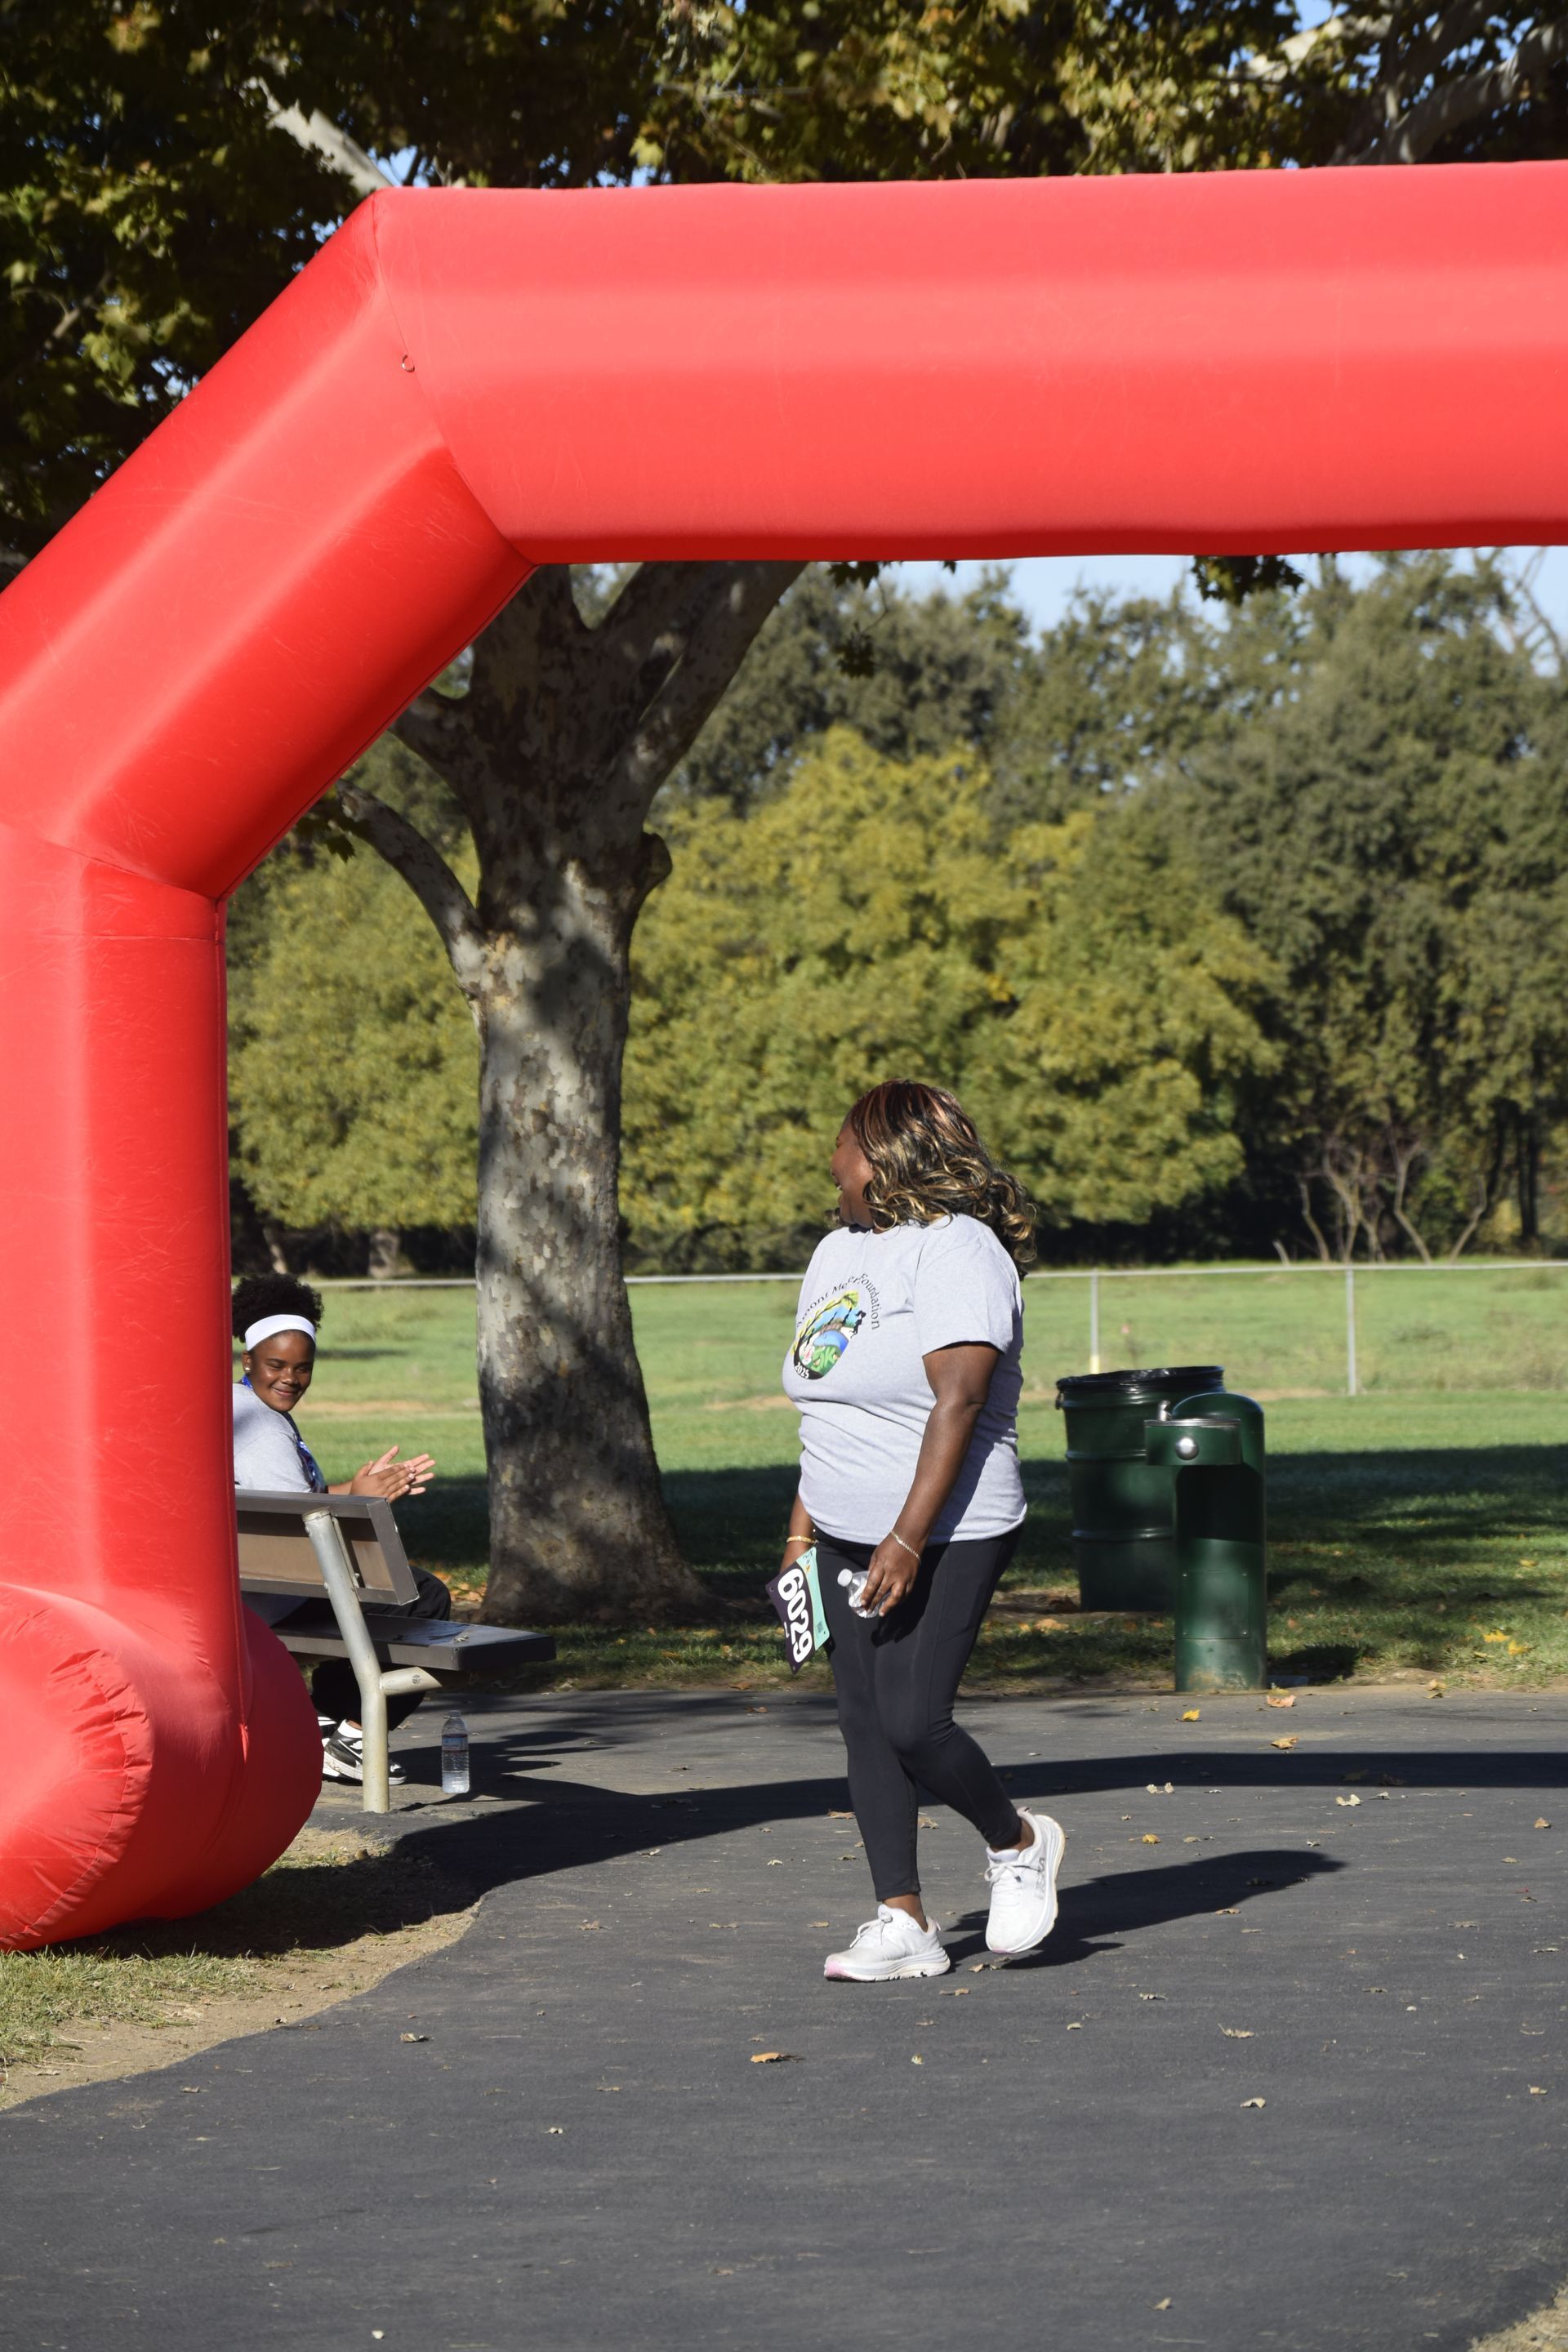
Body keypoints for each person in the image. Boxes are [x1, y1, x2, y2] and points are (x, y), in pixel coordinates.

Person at [780, 1080, 1066, 1981]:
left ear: (888, 1158)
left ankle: (1018, 1843)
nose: (832, 1163)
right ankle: (901, 1921)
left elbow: (960, 1399)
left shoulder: (959, 1251)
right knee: (865, 1724)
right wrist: (800, 1536)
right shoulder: (836, 1253)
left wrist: (905, 1539)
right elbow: (824, 1408)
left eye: (843, 1147)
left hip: (950, 1530)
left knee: (912, 1720)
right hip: (842, 1530)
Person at [232, 1272, 449, 1784]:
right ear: (249, 1361)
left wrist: (355, 1489)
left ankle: (323, 1721)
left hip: (257, 1583)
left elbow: (291, 1505)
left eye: (303, 1368)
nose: (290, 1378)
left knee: (398, 1593)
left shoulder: (241, 1405)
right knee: (420, 1597)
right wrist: (365, 1504)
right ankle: (352, 1734)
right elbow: (299, 1534)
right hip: (273, 1595)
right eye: (276, 1365)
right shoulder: (259, 1426)